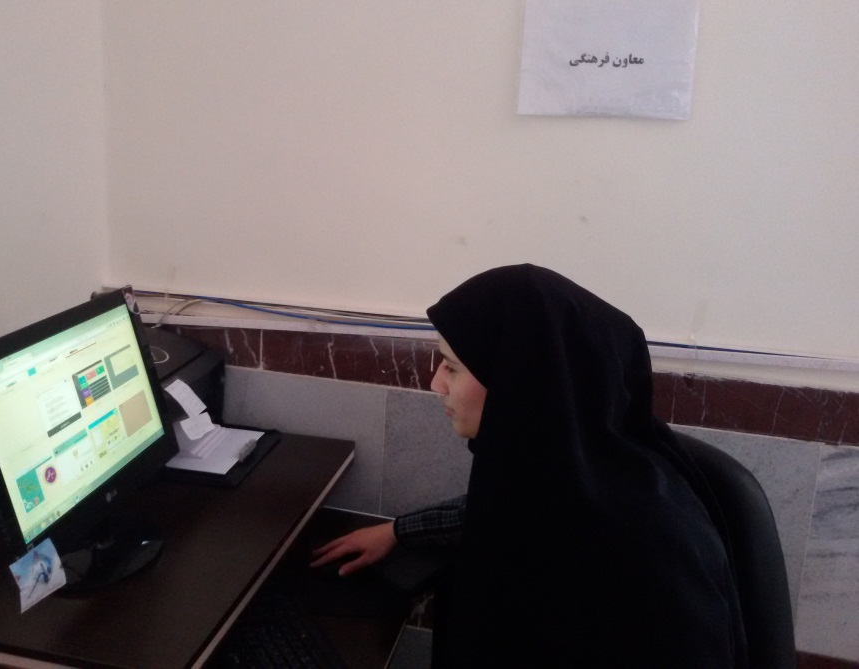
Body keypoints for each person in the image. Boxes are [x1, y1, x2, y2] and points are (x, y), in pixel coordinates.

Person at [311, 264, 747, 667]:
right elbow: (510, 510)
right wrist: (397, 531)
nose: (436, 383)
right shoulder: (563, 476)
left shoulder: (649, 548)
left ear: (521, 382)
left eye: (452, 368)